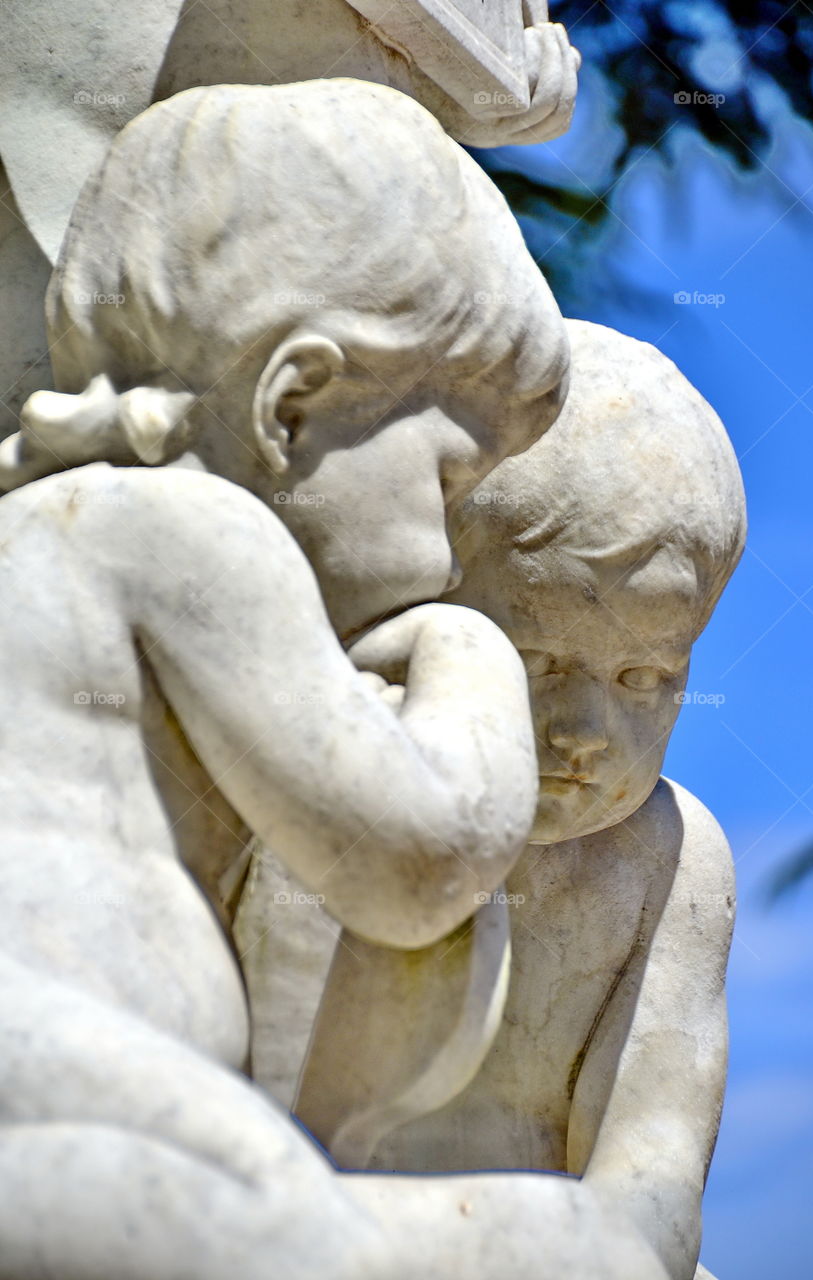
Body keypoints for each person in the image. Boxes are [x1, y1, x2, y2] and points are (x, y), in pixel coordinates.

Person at [0, 81, 658, 1280]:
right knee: (561, 1250)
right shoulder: (195, 530)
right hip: (58, 1061)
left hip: (85, 1087)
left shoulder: (49, 533)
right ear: (291, 404)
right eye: (448, 483)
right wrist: (471, 656)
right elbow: (420, 858)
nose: (454, 555)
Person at [297, 319, 746, 1280]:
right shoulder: (342, 778)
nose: (583, 731)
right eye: (537, 660)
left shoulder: (668, 858)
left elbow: (652, 1170)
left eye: (640, 678)